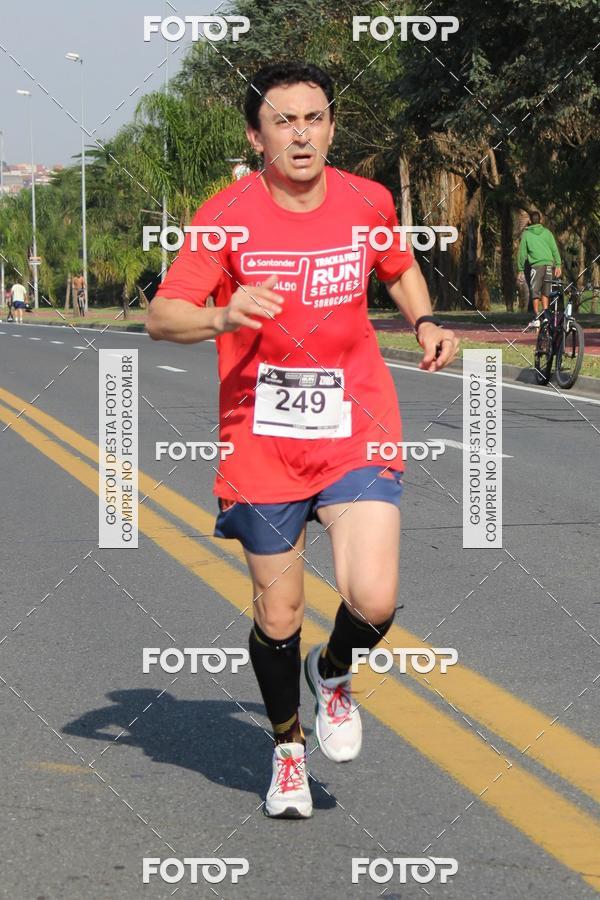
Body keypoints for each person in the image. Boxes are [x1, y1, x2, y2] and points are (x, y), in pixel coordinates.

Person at [146, 61, 459, 819]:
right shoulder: (224, 215)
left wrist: (422, 319)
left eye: (314, 118)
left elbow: (397, 266)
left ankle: (337, 672)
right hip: (262, 442)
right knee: (278, 613)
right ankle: (288, 747)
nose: (301, 133)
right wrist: (223, 316)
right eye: (283, 121)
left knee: (374, 595)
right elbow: (162, 316)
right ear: (257, 136)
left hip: (356, 424)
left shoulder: (367, 199)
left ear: (331, 126)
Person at [517, 211, 562, 328]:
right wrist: (558, 265)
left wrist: (520, 269)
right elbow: (554, 249)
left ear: (530, 221)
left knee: (535, 291)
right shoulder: (547, 233)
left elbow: (522, 253)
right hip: (548, 265)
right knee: (546, 291)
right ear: (541, 220)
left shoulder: (526, 234)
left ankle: (537, 317)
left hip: (536, 266)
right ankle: (546, 316)